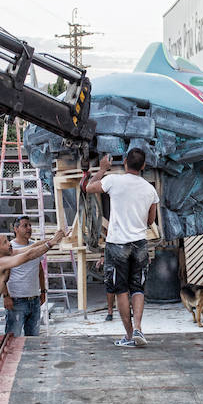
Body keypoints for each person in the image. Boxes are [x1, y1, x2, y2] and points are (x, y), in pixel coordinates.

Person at [0, 227, 67, 404]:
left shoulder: (6, 255)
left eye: (7, 240)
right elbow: (26, 257)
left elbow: (29, 249)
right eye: (4, 242)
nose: (9, 243)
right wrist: (52, 243)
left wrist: (51, 238)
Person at [85, 148, 159, 347]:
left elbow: (88, 188)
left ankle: (128, 336)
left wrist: (102, 169)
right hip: (140, 244)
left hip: (117, 244)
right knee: (138, 287)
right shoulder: (150, 190)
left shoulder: (113, 180)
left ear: (125, 162)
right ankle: (138, 329)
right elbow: (151, 220)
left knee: (120, 289)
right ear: (143, 166)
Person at [2, 217, 48, 337]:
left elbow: (40, 271)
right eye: (25, 226)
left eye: (30, 225)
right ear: (16, 229)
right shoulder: (9, 248)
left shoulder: (35, 246)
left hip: (34, 300)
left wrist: (43, 291)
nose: (29, 228)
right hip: (16, 300)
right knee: (12, 338)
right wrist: (6, 296)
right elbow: (2, 275)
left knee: (33, 338)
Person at [95, 256, 116, 322]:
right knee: (110, 285)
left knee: (126, 285)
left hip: (125, 255)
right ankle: (110, 312)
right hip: (110, 257)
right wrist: (103, 256)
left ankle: (127, 310)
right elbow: (103, 245)